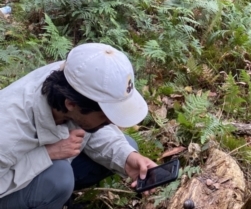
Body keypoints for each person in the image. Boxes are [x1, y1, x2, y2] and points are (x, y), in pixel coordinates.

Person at [0, 42, 157, 209]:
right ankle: (49, 195)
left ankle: (54, 197)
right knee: (59, 177)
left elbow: (93, 131)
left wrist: (126, 158)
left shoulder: (77, 80)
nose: (112, 122)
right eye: (105, 115)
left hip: (31, 165)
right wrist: (47, 154)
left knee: (127, 147)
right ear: (71, 105)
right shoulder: (9, 130)